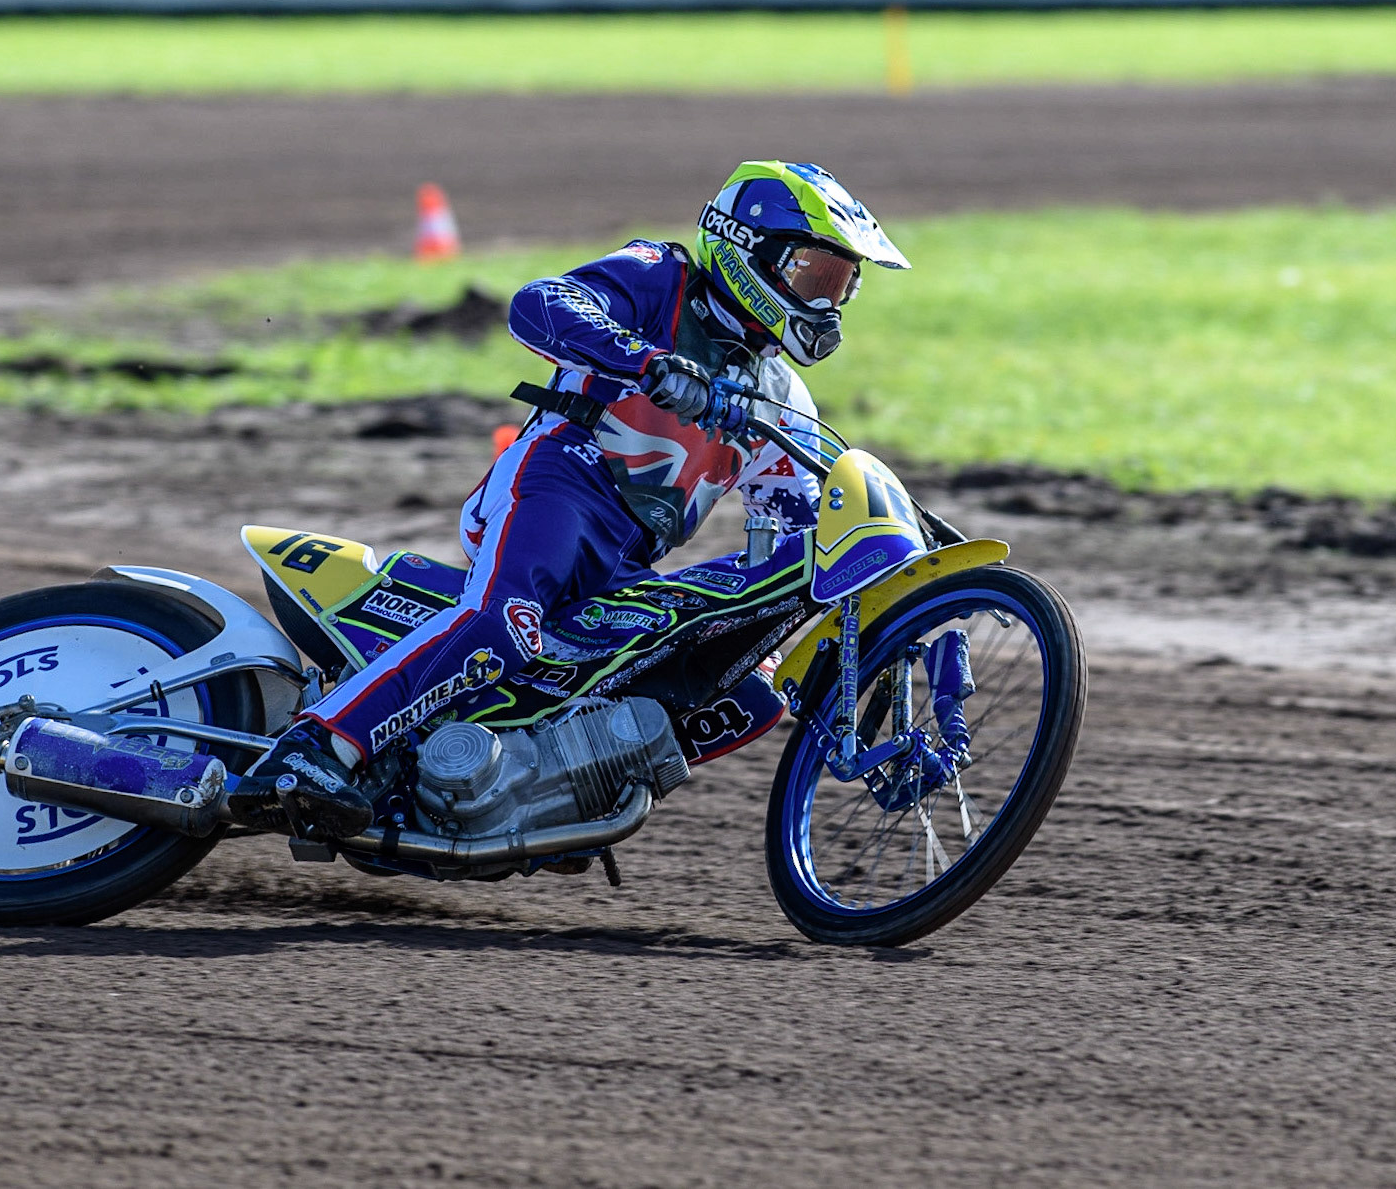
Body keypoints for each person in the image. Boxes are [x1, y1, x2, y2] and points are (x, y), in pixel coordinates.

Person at [231, 160, 911, 839]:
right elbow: (540, 303)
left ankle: (553, 790)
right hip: (564, 480)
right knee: (507, 623)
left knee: (749, 689)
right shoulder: (661, 275)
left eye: (842, 285)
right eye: (815, 276)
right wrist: (649, 364)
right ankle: (315, 747)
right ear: (749, 248)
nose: (828, 303)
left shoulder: (784, 398)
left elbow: (786, 539)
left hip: (631, 557)